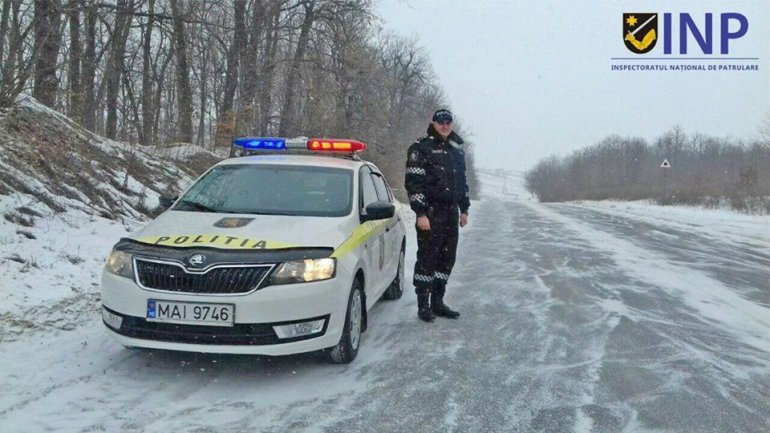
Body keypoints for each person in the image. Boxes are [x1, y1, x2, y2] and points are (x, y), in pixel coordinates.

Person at [404, 108, 470, 322]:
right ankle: (423, 305)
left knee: (446, 259)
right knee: (427, 259)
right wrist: (420, 213)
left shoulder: (456, 149)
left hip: (451, 212)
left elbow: (461, 182)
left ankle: (438, 302)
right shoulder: (421, 148)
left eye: (449, 121)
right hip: (430, 213)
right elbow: (414, 184)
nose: (445, 125)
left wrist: (464, 208)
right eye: (441, 121)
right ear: (433, 123)